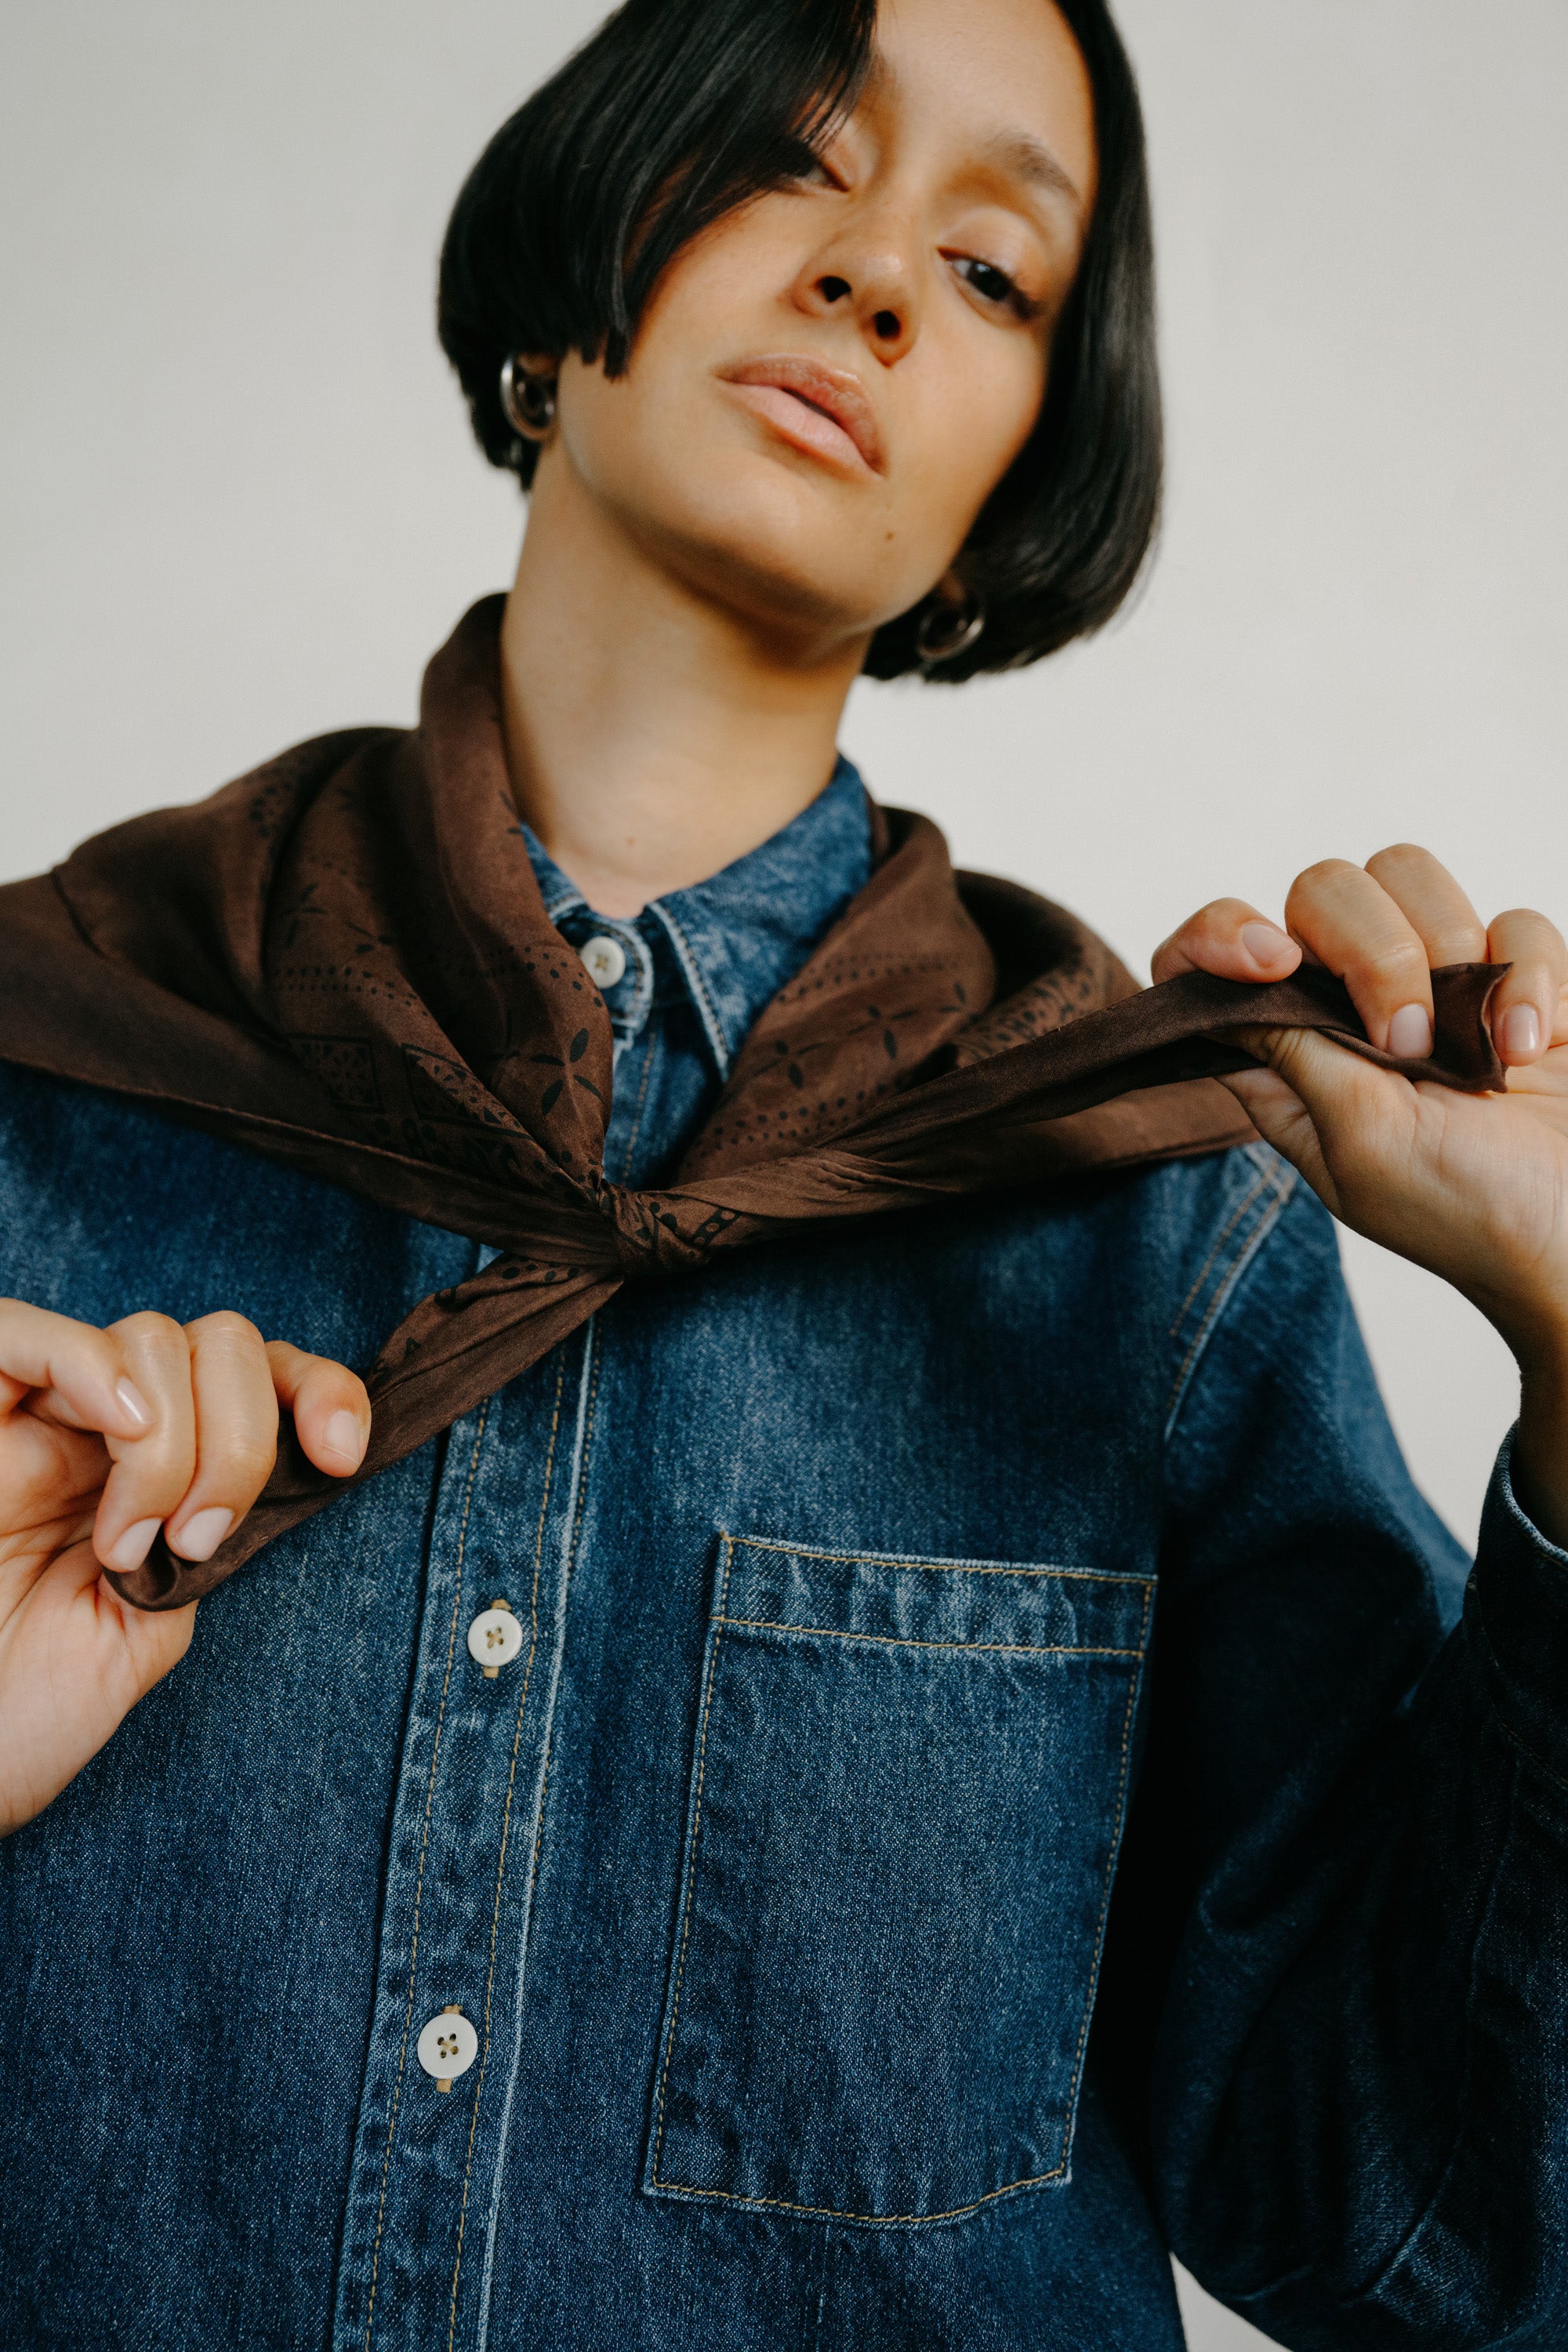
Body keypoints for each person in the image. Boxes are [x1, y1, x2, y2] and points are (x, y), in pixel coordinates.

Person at [2, 0, 1566, 2344]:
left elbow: (1422, 2239)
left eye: (998, 270)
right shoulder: (51, 1066)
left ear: (1014, 492)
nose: (878, 279)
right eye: (797, 154)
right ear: (583, 240)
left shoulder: (1152, 1227)